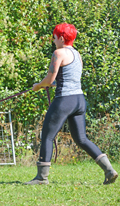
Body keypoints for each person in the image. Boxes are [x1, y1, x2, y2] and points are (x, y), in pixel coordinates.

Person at [24, 23, 118, 185]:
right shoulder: (77, 54)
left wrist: (38, 86)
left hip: (64, 100)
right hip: (79, 100)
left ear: (61, 38)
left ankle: (41, 178)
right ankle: (109, 170)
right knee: (81, 139)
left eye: (54, 38)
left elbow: (50, 79)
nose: (53, 41)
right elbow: (68, 79)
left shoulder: (58, 53)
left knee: (47, 136)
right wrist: (48, 84)